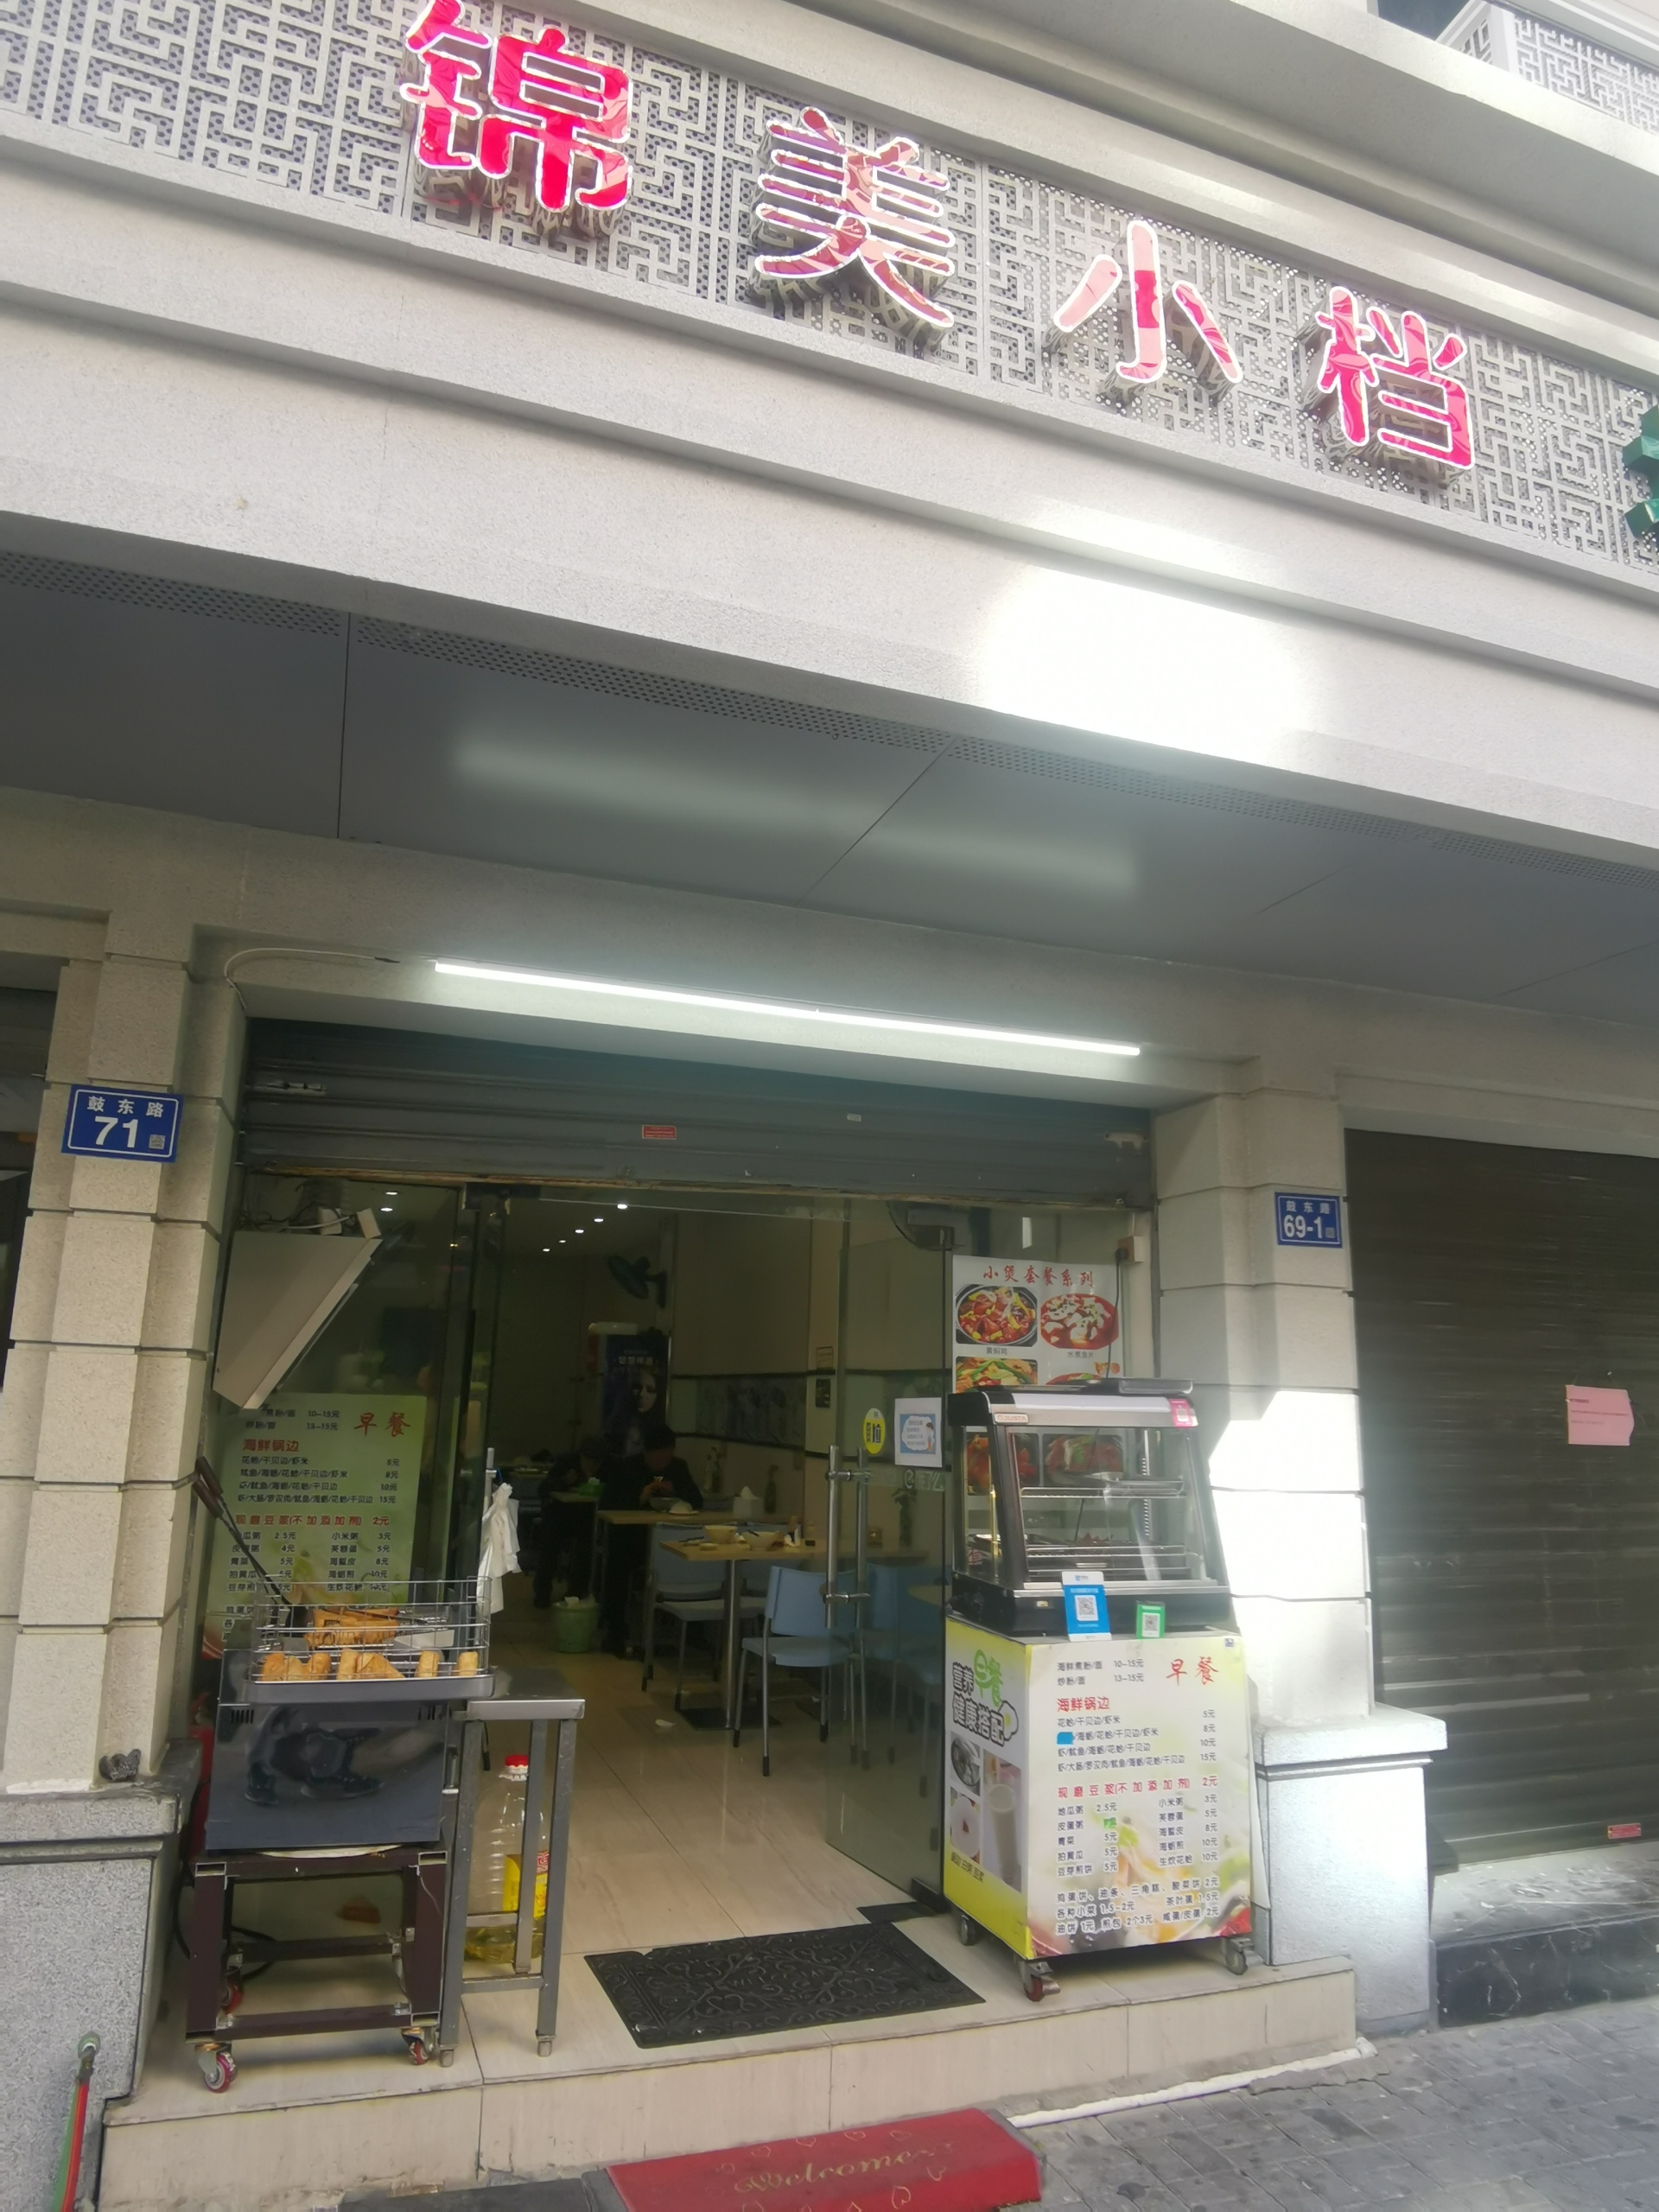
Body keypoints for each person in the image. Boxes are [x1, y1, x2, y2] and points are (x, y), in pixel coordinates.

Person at [598, 1421, 703, 1656]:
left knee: (696, 1560)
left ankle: (694, 1632)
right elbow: (608, 1506)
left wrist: (675, 1493)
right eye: (657, 1459)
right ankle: (615, 1631)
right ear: (646, 1453)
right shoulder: (626, 1467)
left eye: (667, 1459)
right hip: (633, 1539)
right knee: (617, 1566)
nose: (662, 1464)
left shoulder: (678, 1467)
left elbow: (697, 1501)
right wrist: (641, 1497)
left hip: (669, 1541)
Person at [532, 1436, 607, 1607]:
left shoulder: (605, 1468)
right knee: (550, 1544)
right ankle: (542, 1592)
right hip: (561, 1515)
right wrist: (564, 1481)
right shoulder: (566, 1463)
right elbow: (543, 1489)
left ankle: (577, 1592)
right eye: (588, 1461)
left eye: (596, 1463)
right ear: (581, 1457)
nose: (591, 1466)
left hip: (588, 1517)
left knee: (588, 1546)